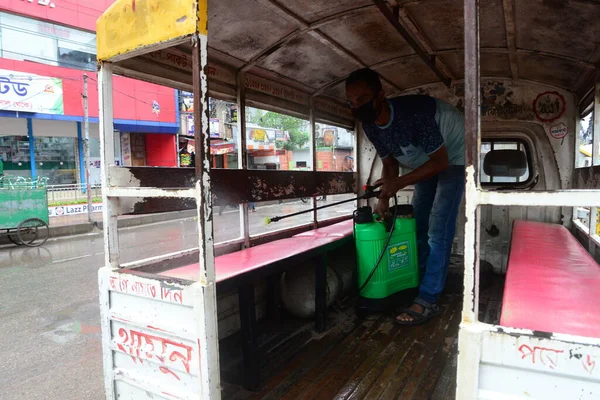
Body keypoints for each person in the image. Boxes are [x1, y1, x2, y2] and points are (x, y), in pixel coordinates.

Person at [345, 68, 464, 326]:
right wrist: (384, 197)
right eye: (351, 102)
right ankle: (417, 282)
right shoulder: (370, 125)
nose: (357, 107)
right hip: (426, 160)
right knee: (416, 226)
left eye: (362, 100)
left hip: (454, 157)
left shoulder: (413, 115)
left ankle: (428, 299)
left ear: (381, 95)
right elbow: (390, 165)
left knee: (438, 230)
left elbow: (441, 162)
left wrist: (398, 183)